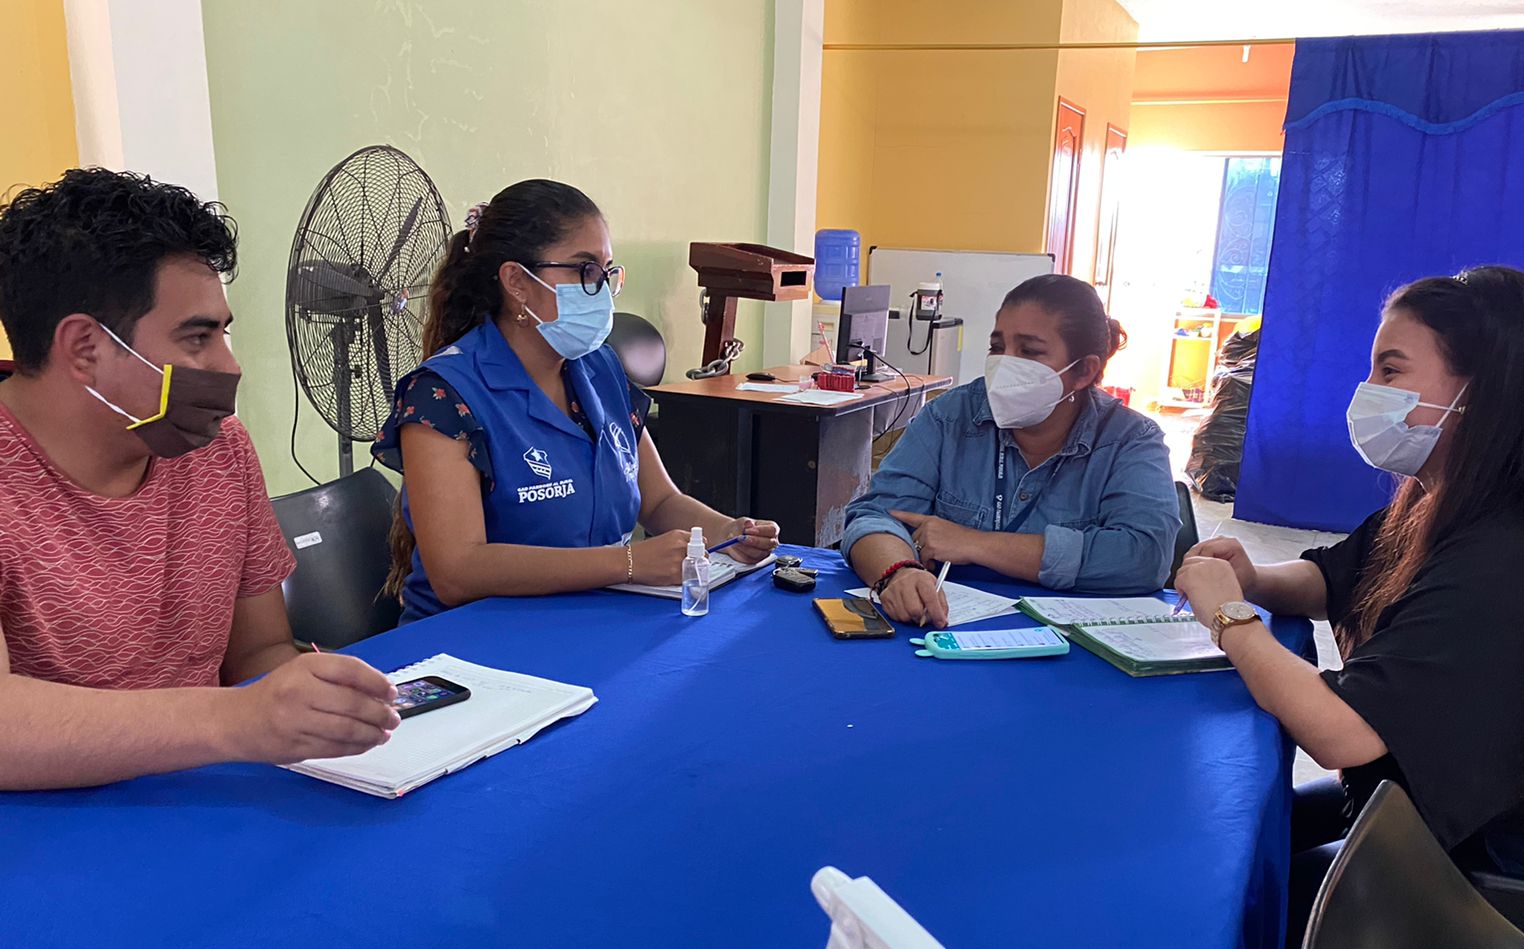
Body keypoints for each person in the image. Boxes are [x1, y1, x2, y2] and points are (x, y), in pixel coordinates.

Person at [1174, 266, 1524, 949]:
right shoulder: (1441, 499)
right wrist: (1253, 578)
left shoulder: (1508, 555)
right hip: (1431, 804)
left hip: (1507, 859)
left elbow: (1343, 731)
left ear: (1480, 393)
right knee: (1240, 833)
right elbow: (1336, 574)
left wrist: (1228, 616)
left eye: (1391, 370)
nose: (1370, 390)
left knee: (1229, 915)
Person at [0, 169, 400, 791]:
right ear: (83, 348)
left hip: (200, 797)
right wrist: (238, 720)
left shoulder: (218, 451)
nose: (227, 365)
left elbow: (257, 654)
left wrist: (317, 699)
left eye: (223, 333)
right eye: (196, 337)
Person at [375, 180, 779, 620]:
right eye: (584, 271)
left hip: (589, 616)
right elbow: (457, 571)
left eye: (606, 272)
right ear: (517, 282)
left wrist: (726, 532)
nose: (601, 290)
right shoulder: (442, 394)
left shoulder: (599, 368)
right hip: (474, 637)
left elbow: (659, 502)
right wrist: (627, 563)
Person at [841, 274, 1179, 627]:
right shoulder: (950, 417)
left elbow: (1145, 557)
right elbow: (876, 516)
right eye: (997, 347)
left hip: (1068, 637)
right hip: (947, 627)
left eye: (1029, 351)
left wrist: (975, 544)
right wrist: (899, 572)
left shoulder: (1130, 440)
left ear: (1083, 371)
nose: (1004, 364)